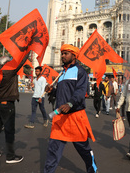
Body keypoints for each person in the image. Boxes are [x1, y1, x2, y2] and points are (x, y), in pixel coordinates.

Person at [44, 44, 97, 173]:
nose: (62, 56)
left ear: (74, 56)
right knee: (53, 149)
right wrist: (51, 91)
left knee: (83, 149)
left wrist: (70, 103)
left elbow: (80, 91)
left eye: (65, 53)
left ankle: (92, 169)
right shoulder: (61, 73)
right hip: (60, 117)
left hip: (75, 116)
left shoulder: (80, 71)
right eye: (62, 53)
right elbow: (61, 93)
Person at [0, 49, 29, 164]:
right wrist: (28, 49)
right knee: (9, 131)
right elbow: (21, 61)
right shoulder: (9, 71)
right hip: (8, 104)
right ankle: (10, 156)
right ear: (7, 64)